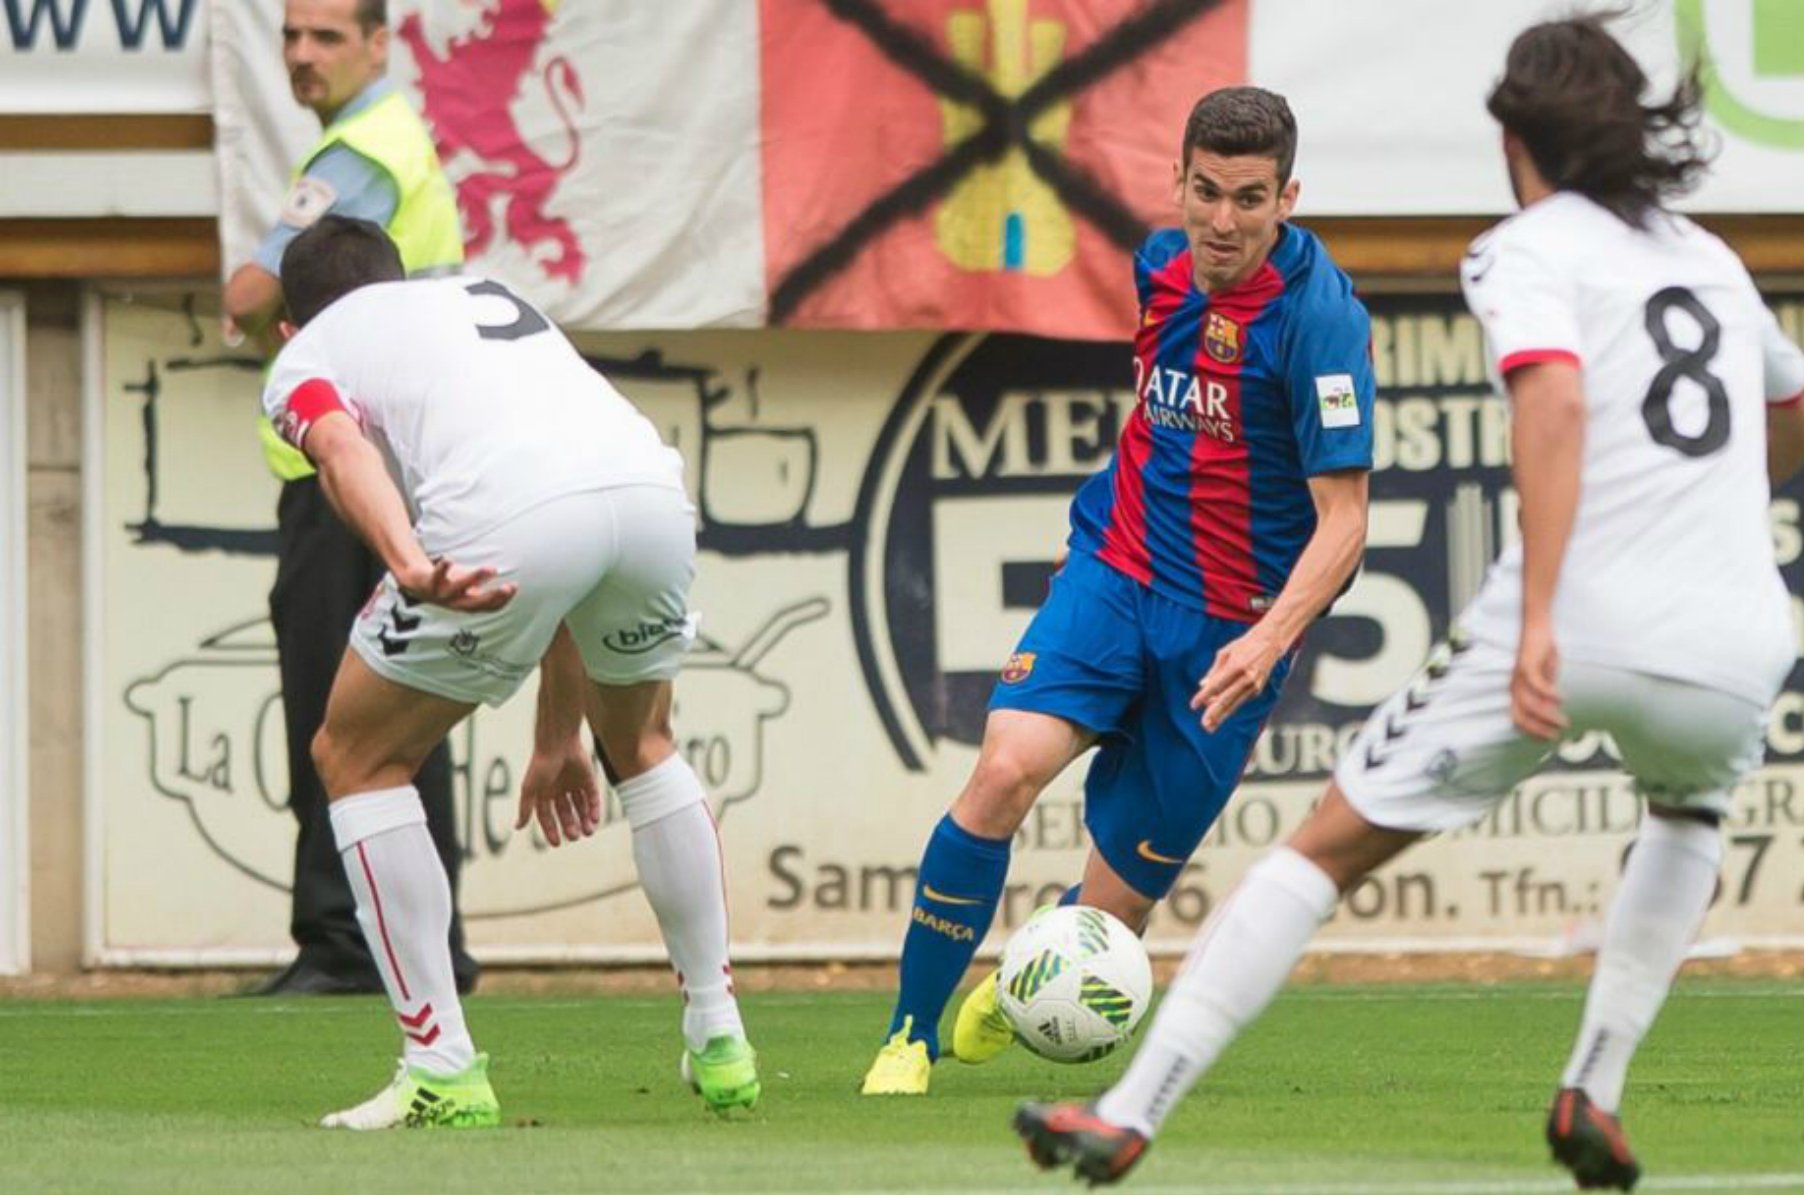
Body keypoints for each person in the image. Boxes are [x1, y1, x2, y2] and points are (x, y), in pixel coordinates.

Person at [1012, 15, 1804, 1191]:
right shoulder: (1709, 256)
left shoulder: (1525, 247)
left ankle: (1128, 1110)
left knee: (1324, 848)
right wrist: (1708, 503)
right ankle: (1593, 1086)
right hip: (1741, 634)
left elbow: (1551, 405)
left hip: (1583, 615)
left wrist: (1544, 614)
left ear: (1516, 135)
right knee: (1688, 813)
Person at [860, 86, 1377, 1096]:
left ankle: (1023, 980)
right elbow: (1164, 411)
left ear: (1288, 198)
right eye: (1206, 192)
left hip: (1229, 639)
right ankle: (907, 1036)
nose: (1223, 221)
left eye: (1250, 199)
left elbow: (1346, 520)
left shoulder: (1321, 322)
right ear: (1178, 181)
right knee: (1004, 770)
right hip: (1116, 575)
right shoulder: (1158, 268)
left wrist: (1269, 638)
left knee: (1110, 915)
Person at [262, 216, 756, 1128]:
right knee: (645, 745)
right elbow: (573, 520)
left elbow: (337, 446)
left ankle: (440, 1065)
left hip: (510, 511)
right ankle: (719, 1034)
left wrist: (406, 560)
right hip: (649, 495)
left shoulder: (308, 353)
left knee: (355, 757)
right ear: (398, 274)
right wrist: (558, 734)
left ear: (293, 326)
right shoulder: (482, 296)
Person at [224, 0, 476, 998]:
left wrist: (270, 322)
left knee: (336, 716)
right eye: (290, 36)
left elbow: (248, 295)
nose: (300, 54)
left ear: (381, 45)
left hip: (346, 479)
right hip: (403, 466)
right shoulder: (392, 142)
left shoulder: (362, 150)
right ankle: (425, 946)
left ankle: (343, 943)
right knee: (409, 707)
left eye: (326, 36)